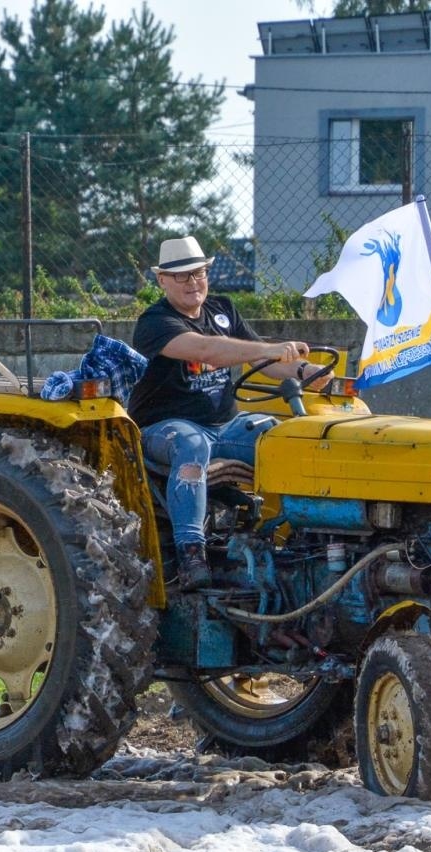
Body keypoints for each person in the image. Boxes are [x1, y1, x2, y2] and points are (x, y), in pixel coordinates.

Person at [128, 236, 331, 590]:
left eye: (199, 273)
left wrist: (304, 370)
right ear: (162, 280)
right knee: (191, 445)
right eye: (182, 276)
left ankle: (297, 537)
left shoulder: (223, 310)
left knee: (286, 437)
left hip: (225, 428)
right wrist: (269, 349)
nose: (193, 282)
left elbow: (265, 362)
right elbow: (208, 350)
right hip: (165, 429)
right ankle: (191, 554)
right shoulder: (155, 323)